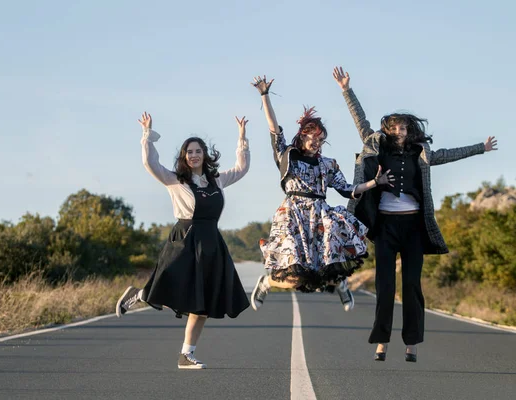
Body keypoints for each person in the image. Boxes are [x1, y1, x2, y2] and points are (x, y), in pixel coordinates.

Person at [333, 66, 498, 362]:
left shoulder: (420, 153)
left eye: (403, 127)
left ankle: (412, 343)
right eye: (393, 127)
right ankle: (381, 342)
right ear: (387, 129)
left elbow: (447, 154)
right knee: (385, 286)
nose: (398, 131)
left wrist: (480, 148)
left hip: (412, 227)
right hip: (384, 227)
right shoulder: (376, 145)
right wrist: (346, 90)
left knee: (411, 285)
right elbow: (361, 121)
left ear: (410, 131)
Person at [115, 112, 251, 369]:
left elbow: (241, 168)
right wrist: (148, 135)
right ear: (184, 156)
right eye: (189, 151)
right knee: (172, 287)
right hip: (185, 239)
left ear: (204, 155)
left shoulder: (217, 180)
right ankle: (141, 294)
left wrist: (242, 138)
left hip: (211, 243)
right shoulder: (175, 181)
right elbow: (150, 164)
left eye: (198, 151)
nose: (194, 155)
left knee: (202, 304)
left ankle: (185, 355)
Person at [249, 76, 395, 312]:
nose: (318, 143)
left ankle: (341, 285)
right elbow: (274, 129)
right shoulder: (288, 156)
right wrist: (265, 96)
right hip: (293, 216)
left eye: (322, 140)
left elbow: (348, 190)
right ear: (303, 135)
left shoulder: (327, 164)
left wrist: (375, 183)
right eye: (314, 138)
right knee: (296, 275)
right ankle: (266, 283)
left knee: (324, 271)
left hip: (319, 216)